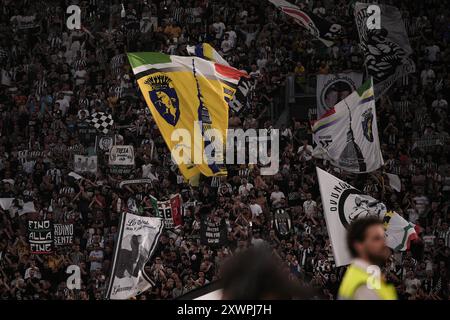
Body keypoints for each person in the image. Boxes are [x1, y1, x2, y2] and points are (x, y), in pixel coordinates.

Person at [338, 217, 397, 300]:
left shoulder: (364, 275)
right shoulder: (364, 287)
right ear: (359, 246)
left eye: (383, 237)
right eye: (376, 238)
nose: (384, 242)